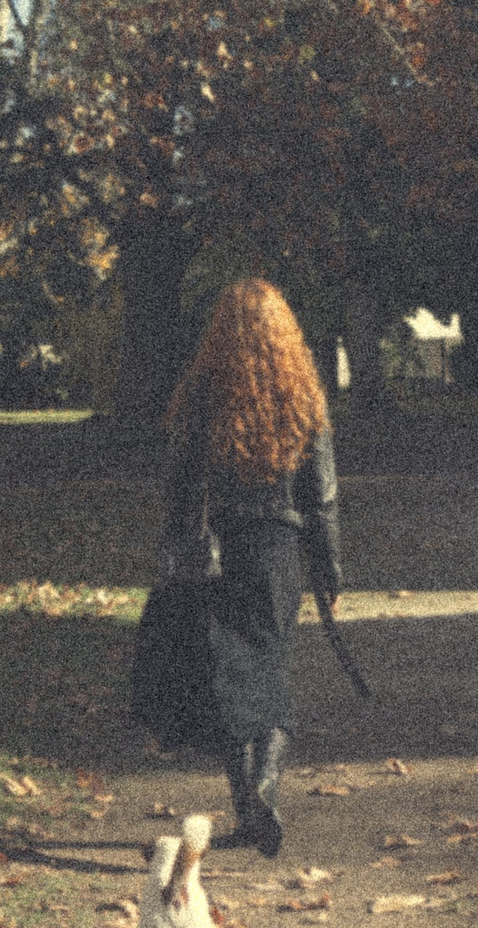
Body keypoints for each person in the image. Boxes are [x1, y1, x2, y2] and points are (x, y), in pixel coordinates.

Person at [130, 278, 342, 857]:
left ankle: (250, 806)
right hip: (278, 553)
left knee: (228, 684)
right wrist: (329, 574)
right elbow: (321, 497)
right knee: (269, 678)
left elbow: (180, 485)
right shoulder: (303, 393)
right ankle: (264, 792)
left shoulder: (202, 391)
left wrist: (176, 553)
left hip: (218, 553)